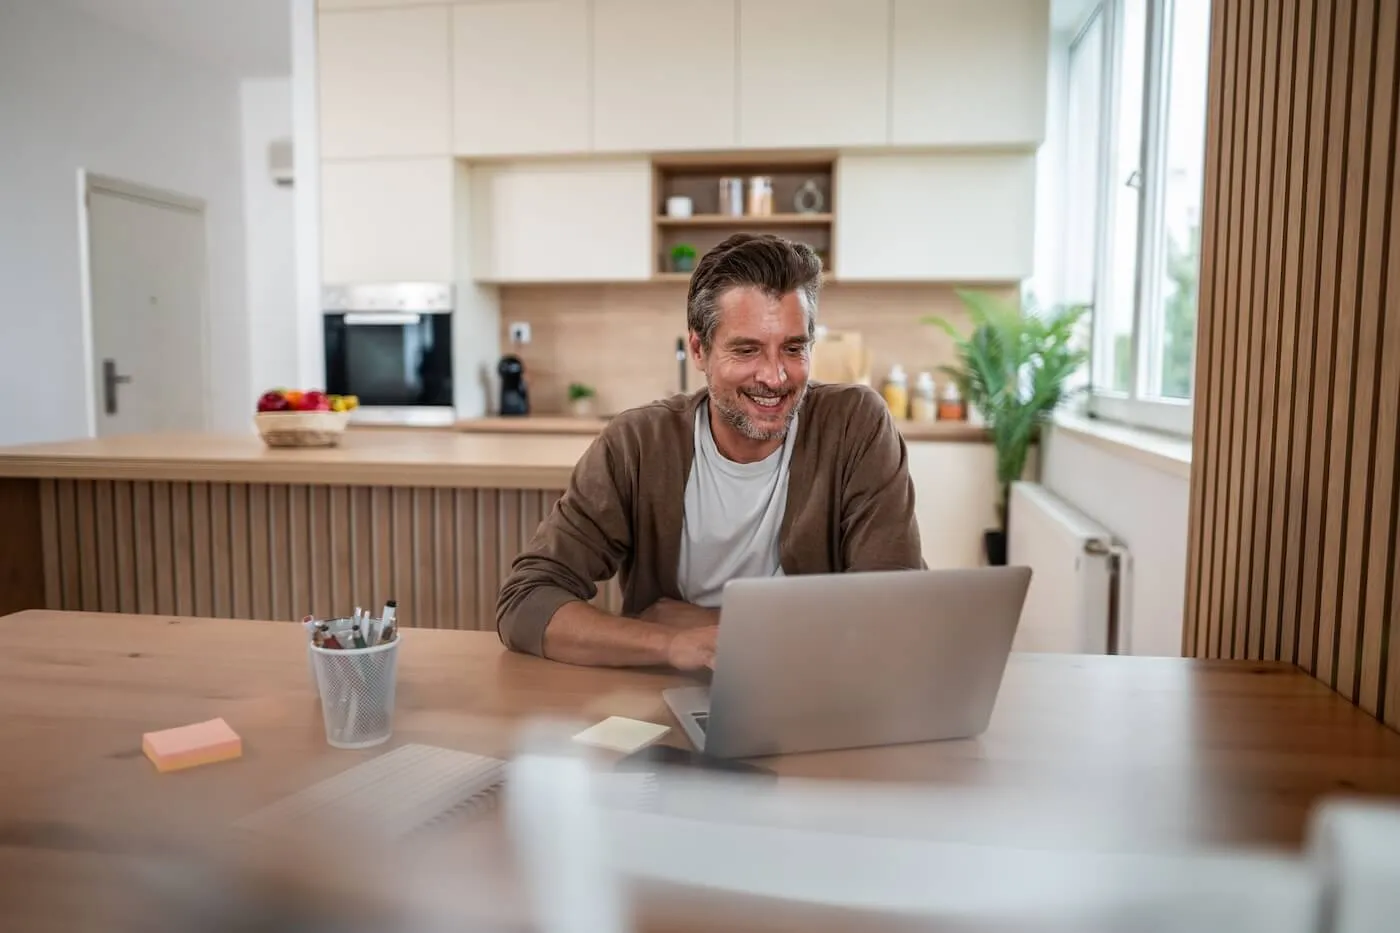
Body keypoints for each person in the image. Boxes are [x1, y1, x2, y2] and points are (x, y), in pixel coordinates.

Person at [496, 233, 924, 670]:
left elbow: (894, 607)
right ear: (699, 349)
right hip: (660, 694)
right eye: (747, 349)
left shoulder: (854, 423)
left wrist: (710, 625)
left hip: (811, 689)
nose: (775, 377)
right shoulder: (638, 444)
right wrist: (670, 645)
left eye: (794, 349)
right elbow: (527, 602)